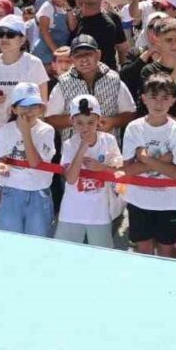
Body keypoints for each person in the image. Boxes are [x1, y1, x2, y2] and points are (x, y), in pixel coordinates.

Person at [121, 75, 176, 258]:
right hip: (138, 201)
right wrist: (163, 161)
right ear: (144, 98)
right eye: (153, 96)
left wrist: (146, 159)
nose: (158, 103)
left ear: (173, 101)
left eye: (165, 98)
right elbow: (126, 171)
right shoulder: (133, 128)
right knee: (143, 250)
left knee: (166, 252)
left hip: (167, 204)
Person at [57, 93, 123, 248]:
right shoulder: (69, 145)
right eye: (79, 123)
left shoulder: (109, 141)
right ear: (72, 121)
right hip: (72, 212)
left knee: (102, 256)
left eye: (90, 122)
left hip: (99, 213)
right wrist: (82, 149)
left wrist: (102, 168)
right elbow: (71, 179)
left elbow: (120, 173)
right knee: (65, 254)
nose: (85, 127)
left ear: (99, 120)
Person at [44, 34, 137, 141]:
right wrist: (75, 121)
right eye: (78, 55)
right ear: (72, 59)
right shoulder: (63, 83)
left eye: (88, 54)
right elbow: (50, 118)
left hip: (107, 148)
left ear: (98, 55)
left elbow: (130, 113)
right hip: (73, 150)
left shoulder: (113, 79)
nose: (83, 59)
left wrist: (113, 121)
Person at [0, 81, 56, 237]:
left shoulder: (46, 130)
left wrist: (26, 132)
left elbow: (35, 163)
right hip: (11, 190)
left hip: (38, 191)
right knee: (10, 240)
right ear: (14, 109)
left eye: (34, 105)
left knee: (38, 240)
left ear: (41, 108)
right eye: (24, 106)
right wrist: (1, 166)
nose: (29, 111)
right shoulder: (5, 130)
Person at [0, 15, 49, 127]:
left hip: (27, 132)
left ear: (22, 39)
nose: (4, 39)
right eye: (0, 34)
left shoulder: (34, 63)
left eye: (10, 34)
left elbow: (43, 105)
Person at [67, 0, 127, 69]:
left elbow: (122, 48)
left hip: (106, 80)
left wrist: (123, 76)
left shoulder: (110, 21)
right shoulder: (73, 19)